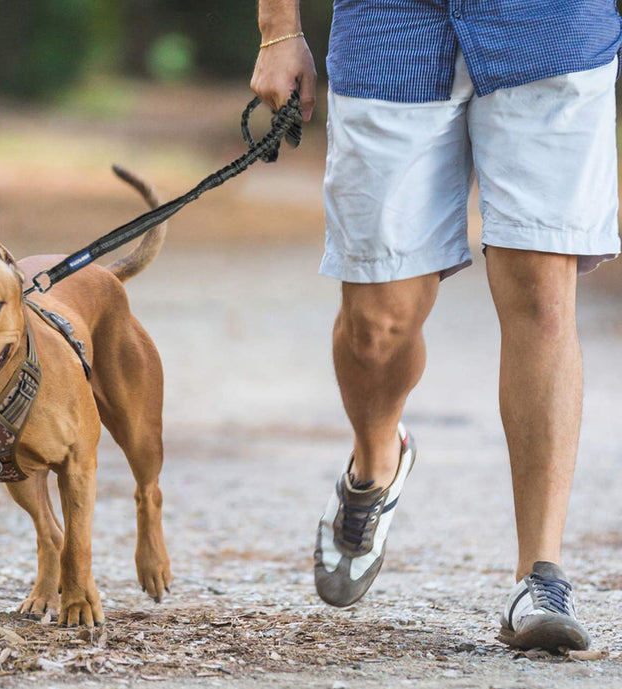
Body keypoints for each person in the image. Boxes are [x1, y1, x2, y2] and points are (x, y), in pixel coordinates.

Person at [251, 0, 622, 651]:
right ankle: (375, 464)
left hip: (554, 23)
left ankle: (541, 575)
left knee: (543, 292)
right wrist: (280, 30)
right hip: (391, 22)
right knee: (376, 327)